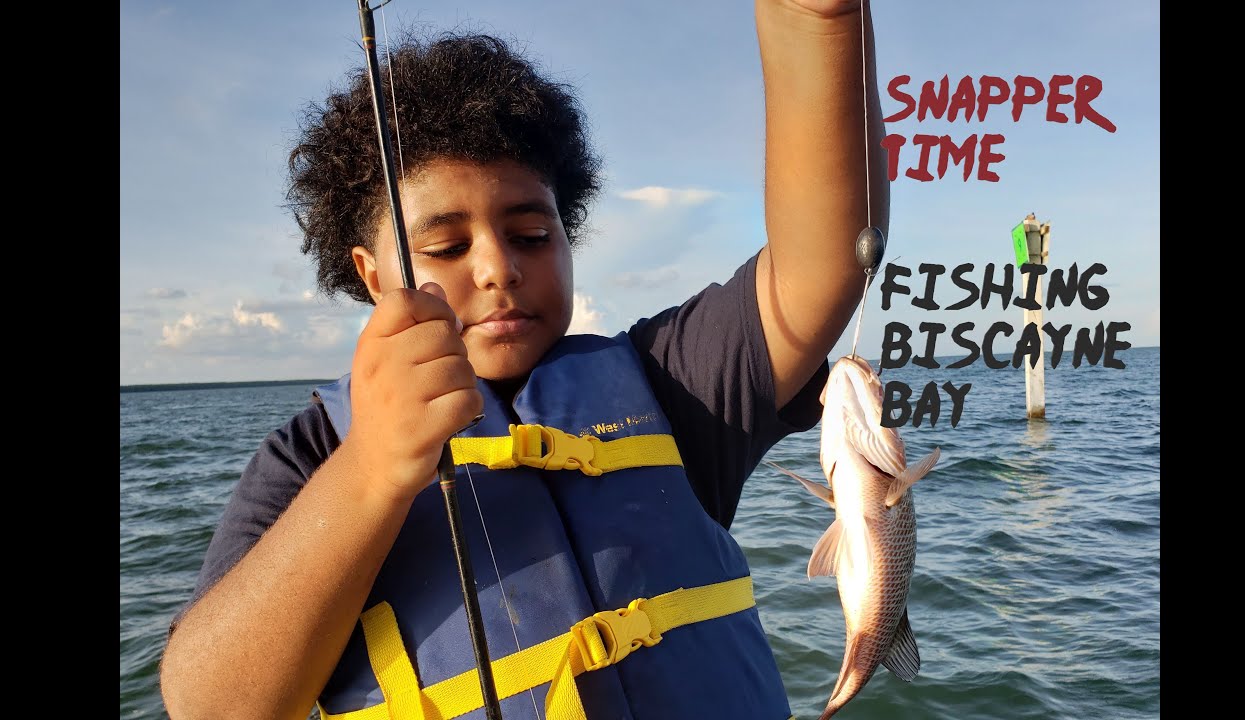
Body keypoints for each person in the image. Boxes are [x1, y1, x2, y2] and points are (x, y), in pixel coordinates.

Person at [159, 1, 888, 718]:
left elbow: (825, 264)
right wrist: (371, 469)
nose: (498, 268)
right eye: (446, 247)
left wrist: (815, 20)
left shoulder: (672, 381)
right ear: (373, 274)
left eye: (533, 234)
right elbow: (211, 702)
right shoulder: (311, 457)